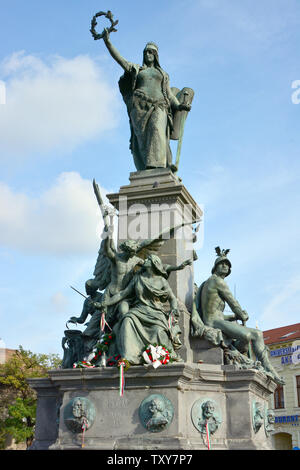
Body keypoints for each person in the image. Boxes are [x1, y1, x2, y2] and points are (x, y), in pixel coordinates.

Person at [102, 29, 191, 171]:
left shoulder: (162, 74)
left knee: (157, 130)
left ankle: (158, 165)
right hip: (139, 107)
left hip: (159, 106)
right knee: (142, 140)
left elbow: (169, 94)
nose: (147, 55)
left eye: (150, 52)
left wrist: (180, 106)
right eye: (145, 52)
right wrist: (107, 42)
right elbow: (120, 60)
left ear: (156, 55)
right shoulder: (138, 69)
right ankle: (146, 169)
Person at [195, 247, 285, 385]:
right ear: (215, 267)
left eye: (227, 264)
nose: (225, 266)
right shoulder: (217, 281)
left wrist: (233, 317)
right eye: (222, 263)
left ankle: (239, 355)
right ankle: (268, 368)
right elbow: (233, 302)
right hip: (213, 322)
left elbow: (216, 312)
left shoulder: (210, 282)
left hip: (215, 320)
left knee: (254, 334)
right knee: (252, 335)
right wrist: (241, 314)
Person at [94, 254, 182, 364]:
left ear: (154, 264)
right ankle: (128, 357)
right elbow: (122, 294)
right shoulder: (138, 278)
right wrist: (105, 303)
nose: (145, 260)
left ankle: (160, 356)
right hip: (139, 310)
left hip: (156, 313)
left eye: (148, 259)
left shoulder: (161, 281)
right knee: (127, 321)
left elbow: (172, 298)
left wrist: (174, 309)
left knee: (158, 331)